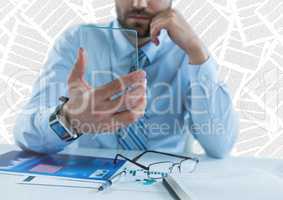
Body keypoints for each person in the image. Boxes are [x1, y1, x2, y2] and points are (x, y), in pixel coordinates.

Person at [13, 0, 238, 158]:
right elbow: (25, 134)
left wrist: (197, 51)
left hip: (162, 184)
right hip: (87, 185)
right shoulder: (76, 41)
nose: (139, 3)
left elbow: (220, 146)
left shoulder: (188, 53)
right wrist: (68, 119)